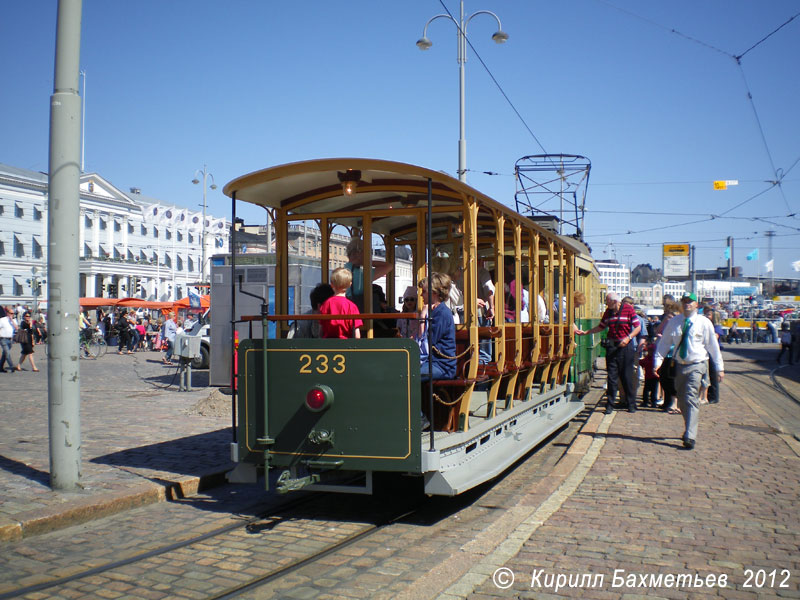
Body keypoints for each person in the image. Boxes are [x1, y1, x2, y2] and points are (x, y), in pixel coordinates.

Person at [654, 292, 724, 450]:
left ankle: (690, 435)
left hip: (697, 364)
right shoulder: (675, 322)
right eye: (685, 301)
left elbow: (713, 346)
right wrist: (657, 362)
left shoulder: (704, 322)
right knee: (682, 399)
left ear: (696, 305)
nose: (687, 304)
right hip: (679, 364)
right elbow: (664, 343)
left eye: (690, 301)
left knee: (691, 397)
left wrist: (719, 368)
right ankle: (688, 426)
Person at [576, 292, 641, 413]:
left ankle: (631, 404)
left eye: (608, 302)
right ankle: (609, 405)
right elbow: (601, 326)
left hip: (626, 347)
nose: (606, 304)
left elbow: (637, 327)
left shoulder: (628, 310)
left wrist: (628, 338)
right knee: (612, 376)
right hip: (613, 346)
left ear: (615, 302)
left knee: (626, 376)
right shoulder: (608, 312)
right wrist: (587, 332)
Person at [417, 273, 456, 382]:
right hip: (431, 362)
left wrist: (421, 319)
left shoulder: (442, 313)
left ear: (433, 293)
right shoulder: (434, 311)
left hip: (442, 366)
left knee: (409, 375)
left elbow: (427, 341)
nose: (421, 295)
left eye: (424, 292)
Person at [344, 237, 393, 310]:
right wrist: (366, 262)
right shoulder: (362, 273)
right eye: (367, 252)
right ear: (359, 252)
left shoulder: (343, 270)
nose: (369, 255)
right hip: (360, 311)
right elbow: (389, 266)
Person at [319, 268, 363, 339]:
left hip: (328, 344)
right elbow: (357, 335)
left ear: (332, 285)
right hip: (346, 345)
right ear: (350, 284)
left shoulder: (326, 304)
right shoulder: (352, 306)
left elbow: (321, 330)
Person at [639, 338, 659, 408]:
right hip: (647, 377)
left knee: (654, 391)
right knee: (646, 390)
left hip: (655, 377)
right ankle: (645, 402)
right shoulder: (647, 358)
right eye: (649, 350)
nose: (651, 352)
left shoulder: (656, 359)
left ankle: (653, 402)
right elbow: (642, 363)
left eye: (652, 350)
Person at [0, 307, 20, 373]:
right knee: (7, 353)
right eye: (11, 313)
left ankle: (0, 367)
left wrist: (12, 320)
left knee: (4, 354)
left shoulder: (14, 320)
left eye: (13, 313)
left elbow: (17, 328)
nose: (12, 315)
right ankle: (12, 366)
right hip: (3, 338)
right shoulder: (2, 320)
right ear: (7, 313)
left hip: (10, 339)